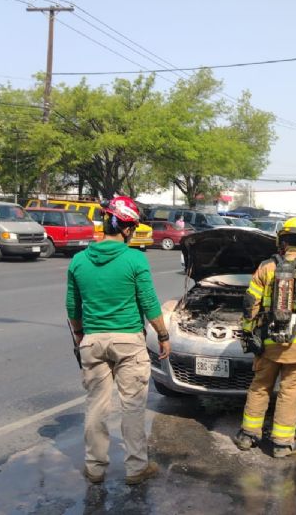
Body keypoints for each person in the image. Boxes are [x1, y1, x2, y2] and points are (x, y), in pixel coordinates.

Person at [66, 196, 170, 485]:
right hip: (128, 341)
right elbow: (149, 302)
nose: (133, 233)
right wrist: (163, 334)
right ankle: (136, 468)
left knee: (96, 406)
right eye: (132, 228)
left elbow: (73, 308)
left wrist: (79, 336)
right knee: (133, 406)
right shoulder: (134, 258)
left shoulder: (79, 260)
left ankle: (95, 468)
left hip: (92, 341)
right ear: (125, 229)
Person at [234, 216, 296, 457]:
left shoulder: (267, 266)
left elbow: (251, 303)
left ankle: (249, 435)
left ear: (283, 240)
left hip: (269, 343)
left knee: (259, 387)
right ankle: (282, 443)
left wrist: (248, 330)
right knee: (290, 392)